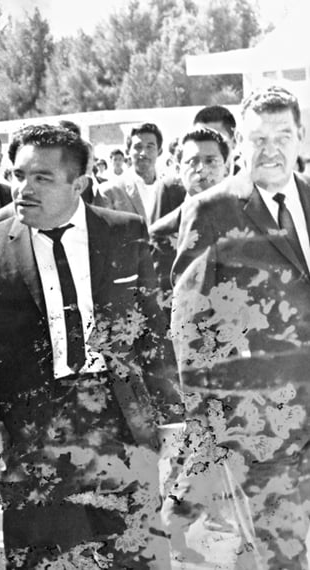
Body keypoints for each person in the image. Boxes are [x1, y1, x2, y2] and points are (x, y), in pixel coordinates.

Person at [0, 124, 178, 569]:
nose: (24, 189)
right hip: (33, 439)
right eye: (18, 176)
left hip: (121, 428)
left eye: (42, 178)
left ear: (79, 184)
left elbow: (152, 329)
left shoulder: (124, 233)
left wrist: (171, 420)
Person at [168, 85, 310, 568]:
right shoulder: (211, 210)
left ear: (302, 138)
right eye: (258, 138)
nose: (271, 149)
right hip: (265, 421)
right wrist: (213, 418)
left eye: (283, 135)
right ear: (239, 145)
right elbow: (189, 327)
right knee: (282, 550)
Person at [148, 127, 230, 294]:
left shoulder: (247, 221)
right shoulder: (159, 234)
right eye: (192, 161)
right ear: (178, 170)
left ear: (227, 169)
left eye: (211, 161)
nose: (201, 169)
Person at [95, 123, 185, 228]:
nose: (143, 153)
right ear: (128, 151)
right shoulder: (108, 191)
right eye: (138, 147)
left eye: (150, 147)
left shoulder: (174, 189)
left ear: (159, 151)